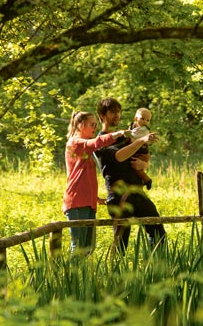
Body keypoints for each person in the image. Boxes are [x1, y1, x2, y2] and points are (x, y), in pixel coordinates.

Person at [95, 97, 166, 254]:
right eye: (112, 112)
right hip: (119, 197)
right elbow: (120, 156)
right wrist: (142, 140)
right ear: (102, 115)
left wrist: (145, 165)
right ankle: (115, 275)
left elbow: (139, 157)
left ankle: (157, 270)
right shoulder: (100, 141)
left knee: (159, 235)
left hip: (138, 193)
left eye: (119, 112)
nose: (117, 115)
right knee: (121, 245)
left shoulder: (125, 137)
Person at [62, 111, 130, 255]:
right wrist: (115, 134)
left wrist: (95, 197)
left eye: (96, 125)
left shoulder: (87, 148)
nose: (95, 128)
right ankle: (70, 276)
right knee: (79, 247)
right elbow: (96, 142)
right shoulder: (75, 142)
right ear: (81, 125)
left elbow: (84, 175)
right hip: (76, 202)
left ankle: (79, 276)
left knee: (88, 248)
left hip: (88, 202)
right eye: (92, 125)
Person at [129, 107, 153, 190]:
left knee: (137, 167)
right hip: (138, 151)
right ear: (136, 118)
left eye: (148, 120)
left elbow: (133, 136)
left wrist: (125, 135)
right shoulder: (133, 127)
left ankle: (147, 180)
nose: (145, 122)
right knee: (136, 168)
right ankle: (141, 180)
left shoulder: (144, 130)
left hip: (142, 153)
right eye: (142, 119)